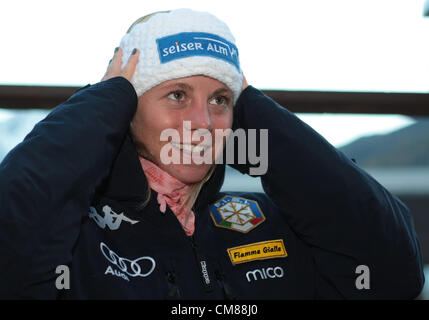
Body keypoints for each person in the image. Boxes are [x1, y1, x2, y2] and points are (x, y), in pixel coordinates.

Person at [0, 9, 424, 300]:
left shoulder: (270, 224)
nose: (203, 122)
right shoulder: (75, 236)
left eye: (220, 99)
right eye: (178, 94)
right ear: (126, 110)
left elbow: (393, 272)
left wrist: (254, 108)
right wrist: (104, 102)